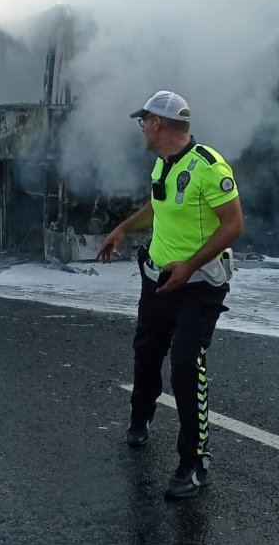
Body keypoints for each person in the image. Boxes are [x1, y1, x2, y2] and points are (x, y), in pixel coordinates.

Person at [96, 91, 244, 500]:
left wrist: (190, 266)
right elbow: (157, 207)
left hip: (199, 286)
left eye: (143, 121)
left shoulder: (210, 167)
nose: (142, 128)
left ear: (157, 123)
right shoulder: (163, 163)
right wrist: (123, 228)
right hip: (158, 281)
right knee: (146, 352)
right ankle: (141, 417)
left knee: (184, 364)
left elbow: (233, 225)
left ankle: (195, 463)